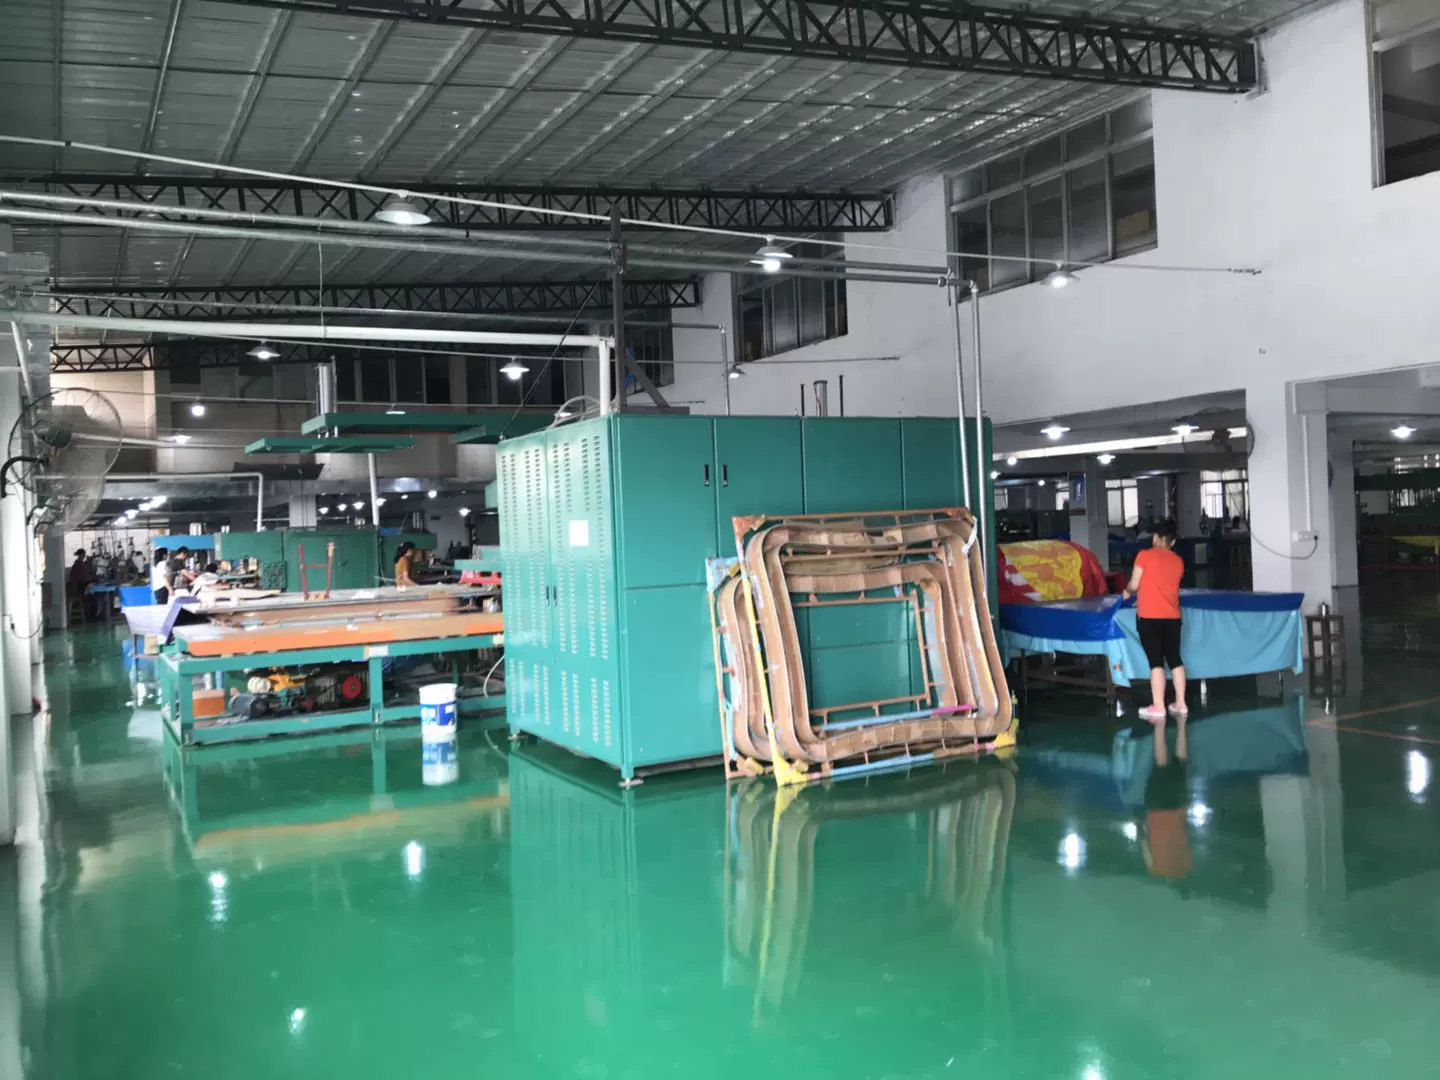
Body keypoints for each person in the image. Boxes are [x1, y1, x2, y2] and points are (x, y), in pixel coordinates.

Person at [1122, 517, 1187, 722]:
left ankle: (1158, 706)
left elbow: (1135, 583)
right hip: (1172, 617)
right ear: (1173, 541)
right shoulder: (1178, 561)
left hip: (1149, 618)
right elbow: (1163, 586)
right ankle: (1180, 703)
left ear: (1156, 537)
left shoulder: (1144, 555)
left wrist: (1127, 592)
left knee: (1156, 662)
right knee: (1175, 659)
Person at [67, 549, 92, 622]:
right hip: (78, 588)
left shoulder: (79, 564)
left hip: (79, 586)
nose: (84, 556)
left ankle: (90, 615)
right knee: (89, 597)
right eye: (84, 554)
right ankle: (89, 616)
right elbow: (84, 577)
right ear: (80, 555)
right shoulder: (79, 564)